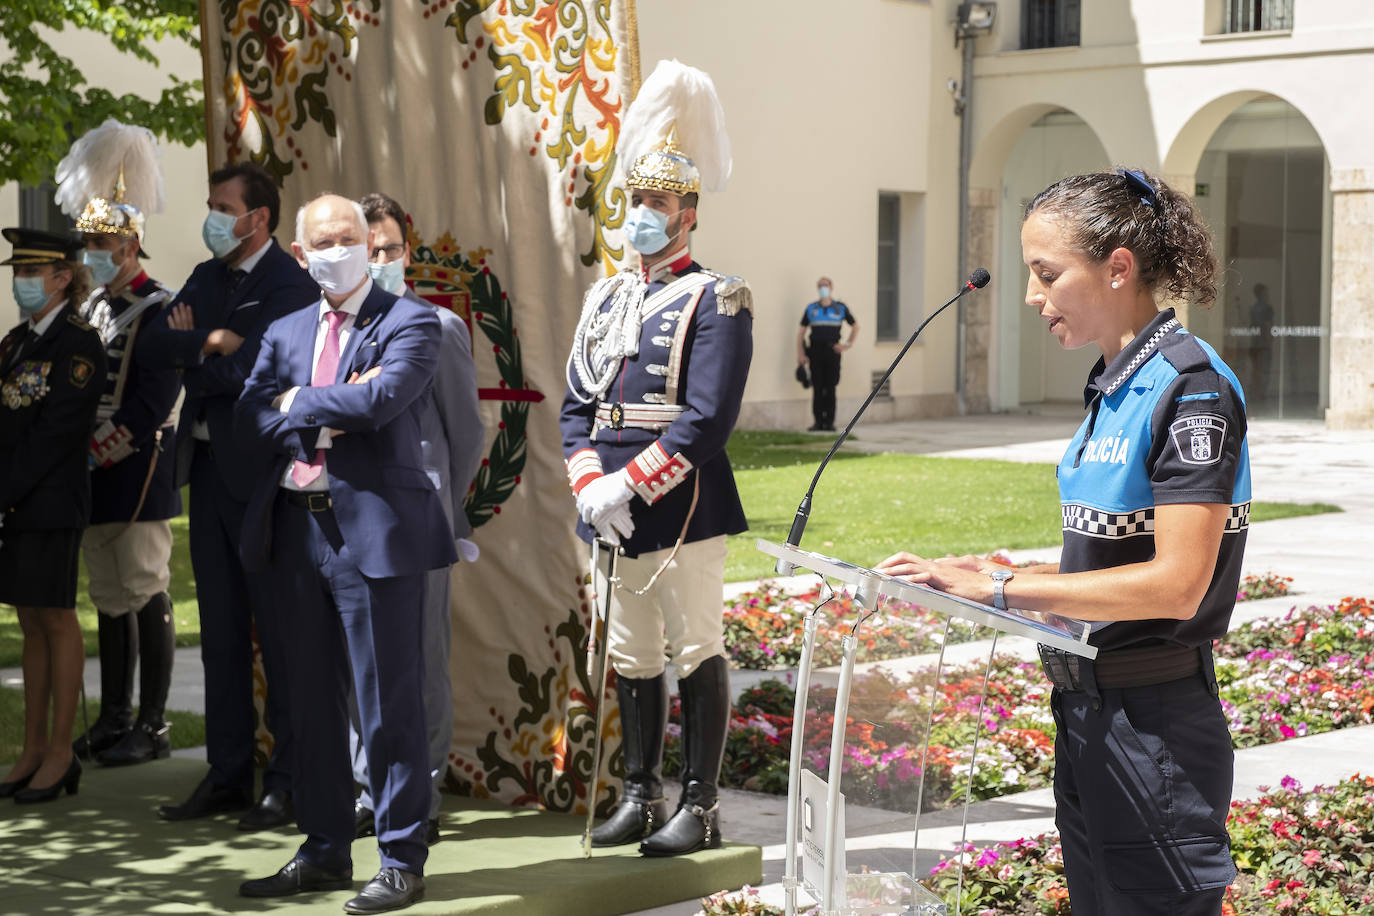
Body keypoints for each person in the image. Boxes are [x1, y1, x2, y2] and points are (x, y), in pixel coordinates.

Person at [877, 168, 1250, 915]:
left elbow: (1175, 582)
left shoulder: (1191, 389)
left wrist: (1003, 590)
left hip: (1155, 725)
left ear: (1118, 267)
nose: (1030, 295)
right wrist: (988, 569)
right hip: (1087, 712)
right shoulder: (1113, 384)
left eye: (1047, 273)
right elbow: (1110, 560)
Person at [235, 194, 454, 914]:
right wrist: (323, 404)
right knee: (311, 702)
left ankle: (400, 858)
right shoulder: (286, 327)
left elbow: (383, 401)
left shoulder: (409, 319)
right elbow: (248, 413)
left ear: (369, 244)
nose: (338, 250)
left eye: (349, 238)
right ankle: (325, 847)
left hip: (376, 538)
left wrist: (299, 403)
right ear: (300, 254)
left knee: (387, 705)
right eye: (322, 242)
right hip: (298, 533)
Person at [560, 59, 753, 858]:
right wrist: (588, 485)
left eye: (660, 202)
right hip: (606, 505)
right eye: (636, 200)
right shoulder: (603, 295)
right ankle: (640, 794)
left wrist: (630, 487)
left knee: (695, 645)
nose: (644, 213)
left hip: (681, 504)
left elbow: (707, 418)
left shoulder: (719, 297)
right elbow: (577, 403)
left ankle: (700, 806)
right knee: (633, 651)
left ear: (690, 212)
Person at [140, 162, 319, 828]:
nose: (212, 217)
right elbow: (155, 343)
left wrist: (203, 352)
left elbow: (255, 373)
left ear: (259, 219)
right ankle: (226, 773)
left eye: (223, 206)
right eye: (212, 204)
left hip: (266, 479)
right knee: (219, 631)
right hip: (209, 472)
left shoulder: (290, 285)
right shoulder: (210, 275)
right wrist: (208, 341)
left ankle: (288, 778)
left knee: (278, 632)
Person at [349, 191, 485, 846]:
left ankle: (419, 795)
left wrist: (440, 510)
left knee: (421, 662)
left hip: (419, 527)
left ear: (409, 252)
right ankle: (364, 786)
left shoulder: (438, 328)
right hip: (345, 523)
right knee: (358, 663)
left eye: (391, 250)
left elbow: (467, 434)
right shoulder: (329, 331)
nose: (381, 261)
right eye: (369, 251)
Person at [52, 121, 183, 767]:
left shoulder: (158, 307)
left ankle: (154, 725)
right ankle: (114, 717)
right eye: (88, 242)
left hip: (138, 467)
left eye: (101, 242)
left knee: (144, 587)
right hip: (94, 471)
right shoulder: (96, 309)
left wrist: (99, 450)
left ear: (130, 245)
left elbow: (152, 402)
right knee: (107, 592)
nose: (91, 252)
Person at [0, 228, 105, 804]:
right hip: (16, 501)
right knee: (30, 622)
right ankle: (33, 747)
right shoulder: (16, 342)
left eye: (32, 273)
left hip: (50, 501)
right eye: (18, 272)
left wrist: (4, 491)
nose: (22, 282)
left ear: (63, 278)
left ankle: (62, 751)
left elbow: (54, 434)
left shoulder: (78, 344)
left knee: (56, 619)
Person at [796, 276, 858, 431]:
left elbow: (855, 326)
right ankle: (818, 422)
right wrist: (801, 354)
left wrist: (846, 345)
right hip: (815, 351)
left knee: (830, 387)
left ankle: (829, 422)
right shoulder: (811, 309)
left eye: (825, 285)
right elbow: (800, 333)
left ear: (831, 287)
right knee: (817, 387)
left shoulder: (840, 308)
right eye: (820, 286)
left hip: (832, 352)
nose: (823, 288)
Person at [1247, 282, 1275, 405]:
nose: (1268, 295)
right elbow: (1267, 325)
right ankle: (1261, 395)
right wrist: (1269, 339)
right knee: (1264, 369)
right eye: (1266, 293)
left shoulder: (1253, 309)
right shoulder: (1267, 309)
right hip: (1263, 344)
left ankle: (1256, 394)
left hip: (1254, 343)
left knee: (1256, 370)